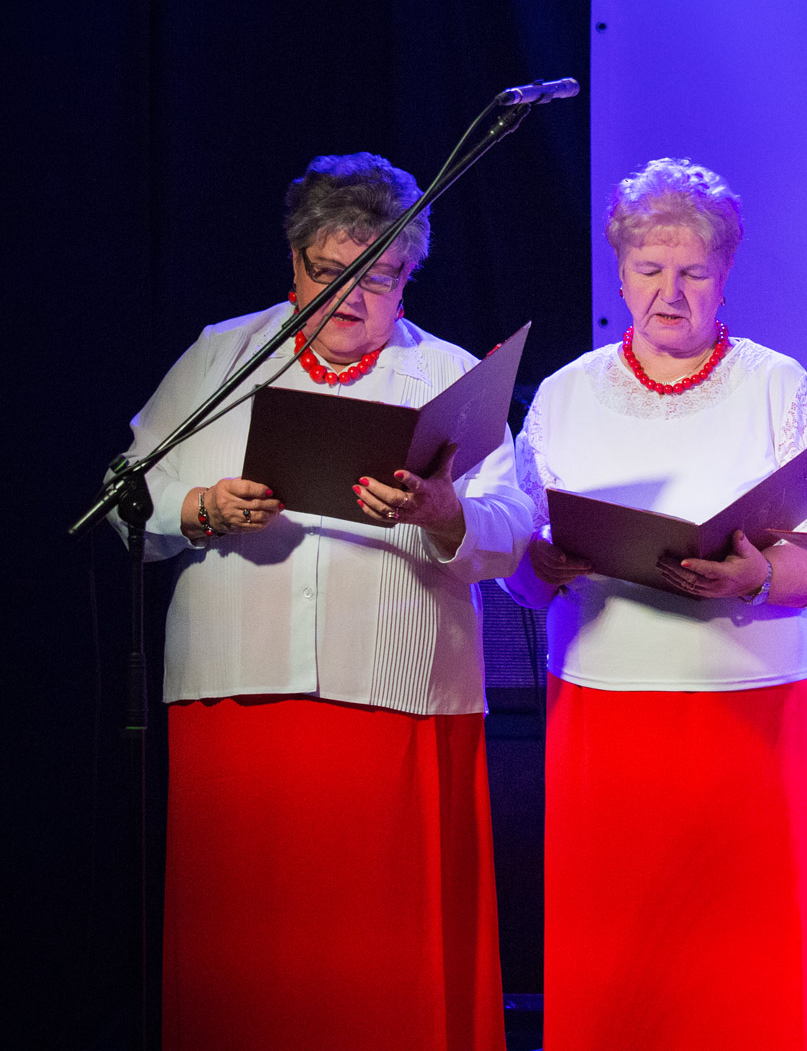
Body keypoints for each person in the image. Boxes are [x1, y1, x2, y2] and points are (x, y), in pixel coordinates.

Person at [115, 153, 534, 1051]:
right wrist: (198, 506)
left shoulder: (450, 376)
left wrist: (443, 509)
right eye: (327, 272)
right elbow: (125, 495)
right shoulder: (223, 354)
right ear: (293, 260)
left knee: (382, 963)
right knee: (251, 962)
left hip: (397, 703)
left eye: (378, 278)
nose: (349, 298)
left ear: (408, 277)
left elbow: (515, 531)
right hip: (236, 696)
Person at [502, 158, 807, 1051]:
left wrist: (756, 576)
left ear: (724, 275)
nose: (670, 292)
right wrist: (544, 559)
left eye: (693, 271)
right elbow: (518, 572)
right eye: (649, 269)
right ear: (619, 275)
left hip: (752, 710)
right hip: (603, 709)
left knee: (746, 963)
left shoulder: (780, 385)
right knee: (619, 960)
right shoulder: (564, 393)